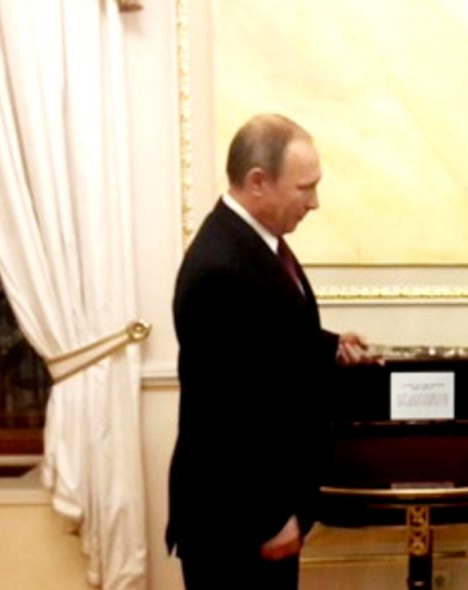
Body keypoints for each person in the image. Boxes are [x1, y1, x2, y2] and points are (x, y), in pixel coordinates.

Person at [166, 114, 372, 589]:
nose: (314, 202)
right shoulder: (220, 267)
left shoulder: (254, 242)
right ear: (258, 182)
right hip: (238, 524)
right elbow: (227, 410)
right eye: (305, 188)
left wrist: (330, 345)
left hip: (253, 516)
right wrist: (270, 517)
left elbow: (261, 338)